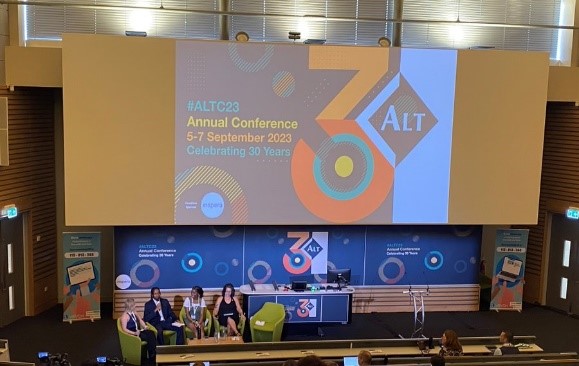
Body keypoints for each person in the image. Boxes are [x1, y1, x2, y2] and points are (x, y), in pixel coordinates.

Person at [120, 298, 157, 362]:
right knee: (148, 337)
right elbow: (124, 329)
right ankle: (152, 355)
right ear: (130, 306)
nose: (135, 306)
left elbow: (140, 320)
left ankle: (152, 352)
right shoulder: (125, 316)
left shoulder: (134, 312)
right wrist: (134, 333)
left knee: (151, 333)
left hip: (138, 331)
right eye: (134, 305)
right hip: (132, 333)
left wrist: (145, 326)